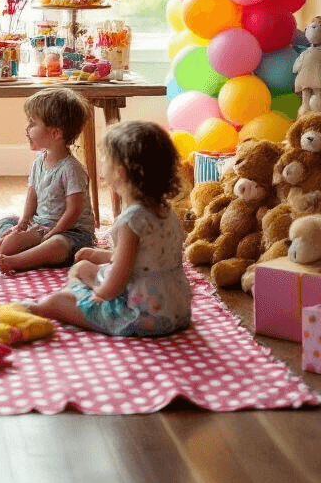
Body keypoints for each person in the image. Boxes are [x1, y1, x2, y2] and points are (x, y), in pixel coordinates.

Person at [19, 121, 192, 338]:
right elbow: (147, 259)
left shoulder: (132, 220)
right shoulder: (167, 213)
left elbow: (117, 282)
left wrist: (98, 297)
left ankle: (42, 308)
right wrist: (99, 255)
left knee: (57, 301)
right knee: (83, 265)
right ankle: (78, 288)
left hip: (144, 316)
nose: (102, 163)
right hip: (177, 309)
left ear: (119, 172)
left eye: (104, 158)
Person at [0, 87, 95, 273]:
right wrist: (23, 223)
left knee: (56, 244)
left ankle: (18, 260)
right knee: (7, 223)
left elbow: (74, 210)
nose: (27, 128)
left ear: (55, 134)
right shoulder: (39, 160)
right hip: (40, 225)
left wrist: (54, 232)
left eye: (32, 123)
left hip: (71, 232)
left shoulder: (71, 169)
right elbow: (33, 193)